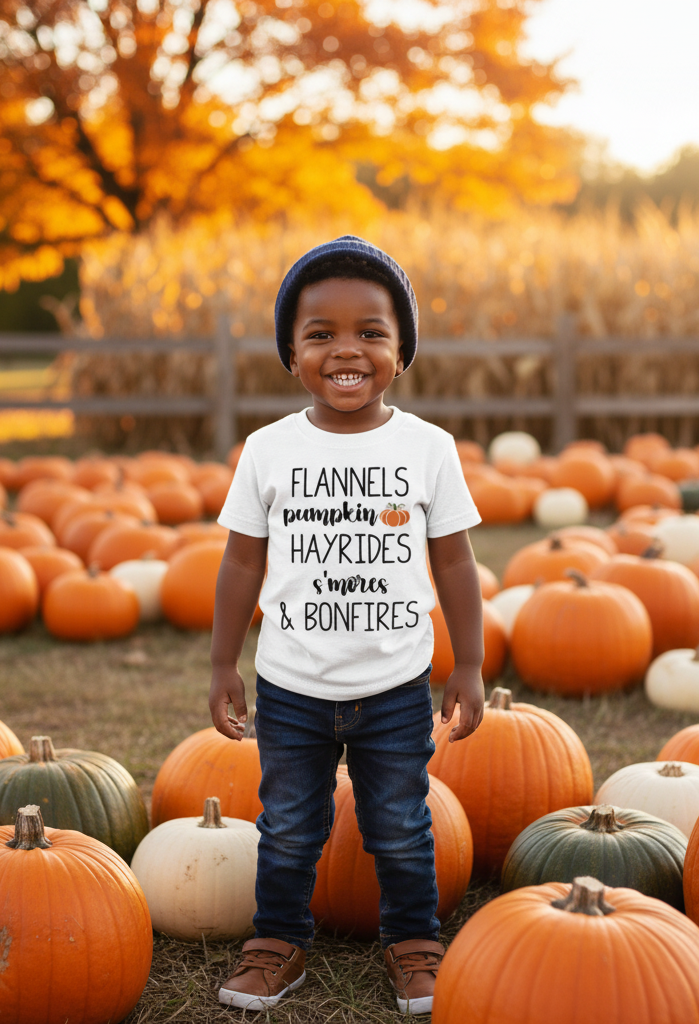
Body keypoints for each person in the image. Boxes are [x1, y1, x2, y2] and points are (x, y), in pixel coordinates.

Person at [209, 235, 485, 1015]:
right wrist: (223, 663)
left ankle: (413, 941)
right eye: (319, 333)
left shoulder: (428, 448)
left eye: (371, 331)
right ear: (290, 353)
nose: (346, 350)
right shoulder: (268, 450)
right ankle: (278, 942)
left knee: (399, 826)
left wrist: (468, 665)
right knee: (289, 828)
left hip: (396, 684)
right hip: (291, 685)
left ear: (402, 351)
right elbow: (239, 566)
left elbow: (457, 565)